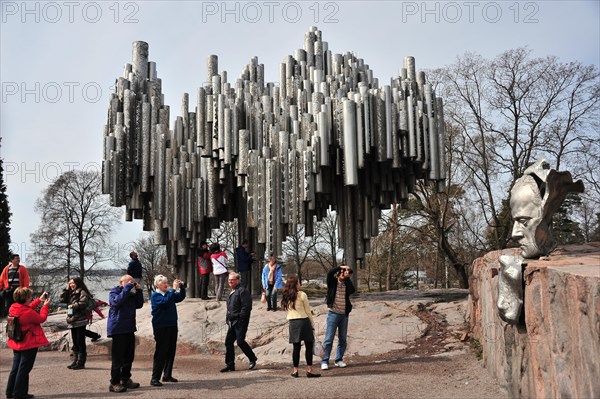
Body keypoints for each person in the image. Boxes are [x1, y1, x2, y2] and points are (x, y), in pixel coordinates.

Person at [5, 288, 50, 399]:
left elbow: (27, 308)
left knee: (15, 368)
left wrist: (39, 300)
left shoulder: (14, 308)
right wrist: (45, 306)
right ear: (26, 298)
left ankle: (10, 392)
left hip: (17, 342)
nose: (31, 298)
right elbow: (41, 318)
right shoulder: (28, 313)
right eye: (30, 297)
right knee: (24, 369)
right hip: (28, 343)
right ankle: (19, 393)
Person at [106, 274, 145, 393]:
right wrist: (127, 288)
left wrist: (139, 291)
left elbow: (139, 304)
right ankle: (114, 383)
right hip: (118, 329)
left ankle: (125, 379)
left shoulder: (130, 294)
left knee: (129, 356)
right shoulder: (114, 292)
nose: (130, 284)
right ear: (121, 282)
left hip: (129, 328)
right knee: (118, 358)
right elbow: (117, 302)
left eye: (131, 282)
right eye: (128, 282)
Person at [281, 275, 321, 378]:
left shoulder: (286, 295)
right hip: (304, 321)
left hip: (293, 323)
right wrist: (312, 323)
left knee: (296, 347)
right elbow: (307, 310)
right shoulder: (302, 295)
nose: (300, 284)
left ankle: (295, 370)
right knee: (308, 346)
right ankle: (309, 369)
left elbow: (286, 310)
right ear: (295, 284)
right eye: (299, 282)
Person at [150, 275, 186, 387]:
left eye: (167, 283)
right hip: (161, 327)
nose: (166, 285)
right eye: (164, 283)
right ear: (157, 285)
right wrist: (173, 289)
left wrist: (182, 287)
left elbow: (180, 297)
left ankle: (167, 375)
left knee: (171, 350)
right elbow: (164, 302)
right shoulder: (155, 296)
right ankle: (154, 378)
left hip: (172, 325)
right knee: (161, 352)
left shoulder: (168, 294)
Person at [220, 272, 257, 372]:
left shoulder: (243, 291)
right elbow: (229, 308)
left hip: (240, 321)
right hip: (232, 322)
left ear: (238, 280)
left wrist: (240, 317)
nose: (230, 282)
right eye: (229, 280)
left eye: (232, 280)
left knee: (240, 342)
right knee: (228, 342)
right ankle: (230, 365)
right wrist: (228, 319)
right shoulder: (231, 292)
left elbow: (246, 307)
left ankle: (252, 358)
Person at [320, 265, 355, 370]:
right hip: (333, 314)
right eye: (344, 272)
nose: (345, 274)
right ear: (339, 273)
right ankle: (324, 361)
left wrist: (347, 278)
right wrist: (340, 267)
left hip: (344, 315)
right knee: (328, 339)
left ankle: (338, 359)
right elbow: (330, 273)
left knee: (343, 339)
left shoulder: (346, 283)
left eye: (347, 273)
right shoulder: (332, 282)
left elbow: (352, 290)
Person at [59, 276, 95, 370]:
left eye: (73, 283)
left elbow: (84, 303)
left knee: (80, 341)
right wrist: (66, 289)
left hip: (80, 319)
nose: (71, 285)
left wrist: (73, 306)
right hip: (72, 319)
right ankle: (75, 361)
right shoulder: (70, 292)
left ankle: (81, 362)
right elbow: (62, 300)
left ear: (78, 283)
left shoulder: (82, 291)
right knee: (75, 341)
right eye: (70, 283)